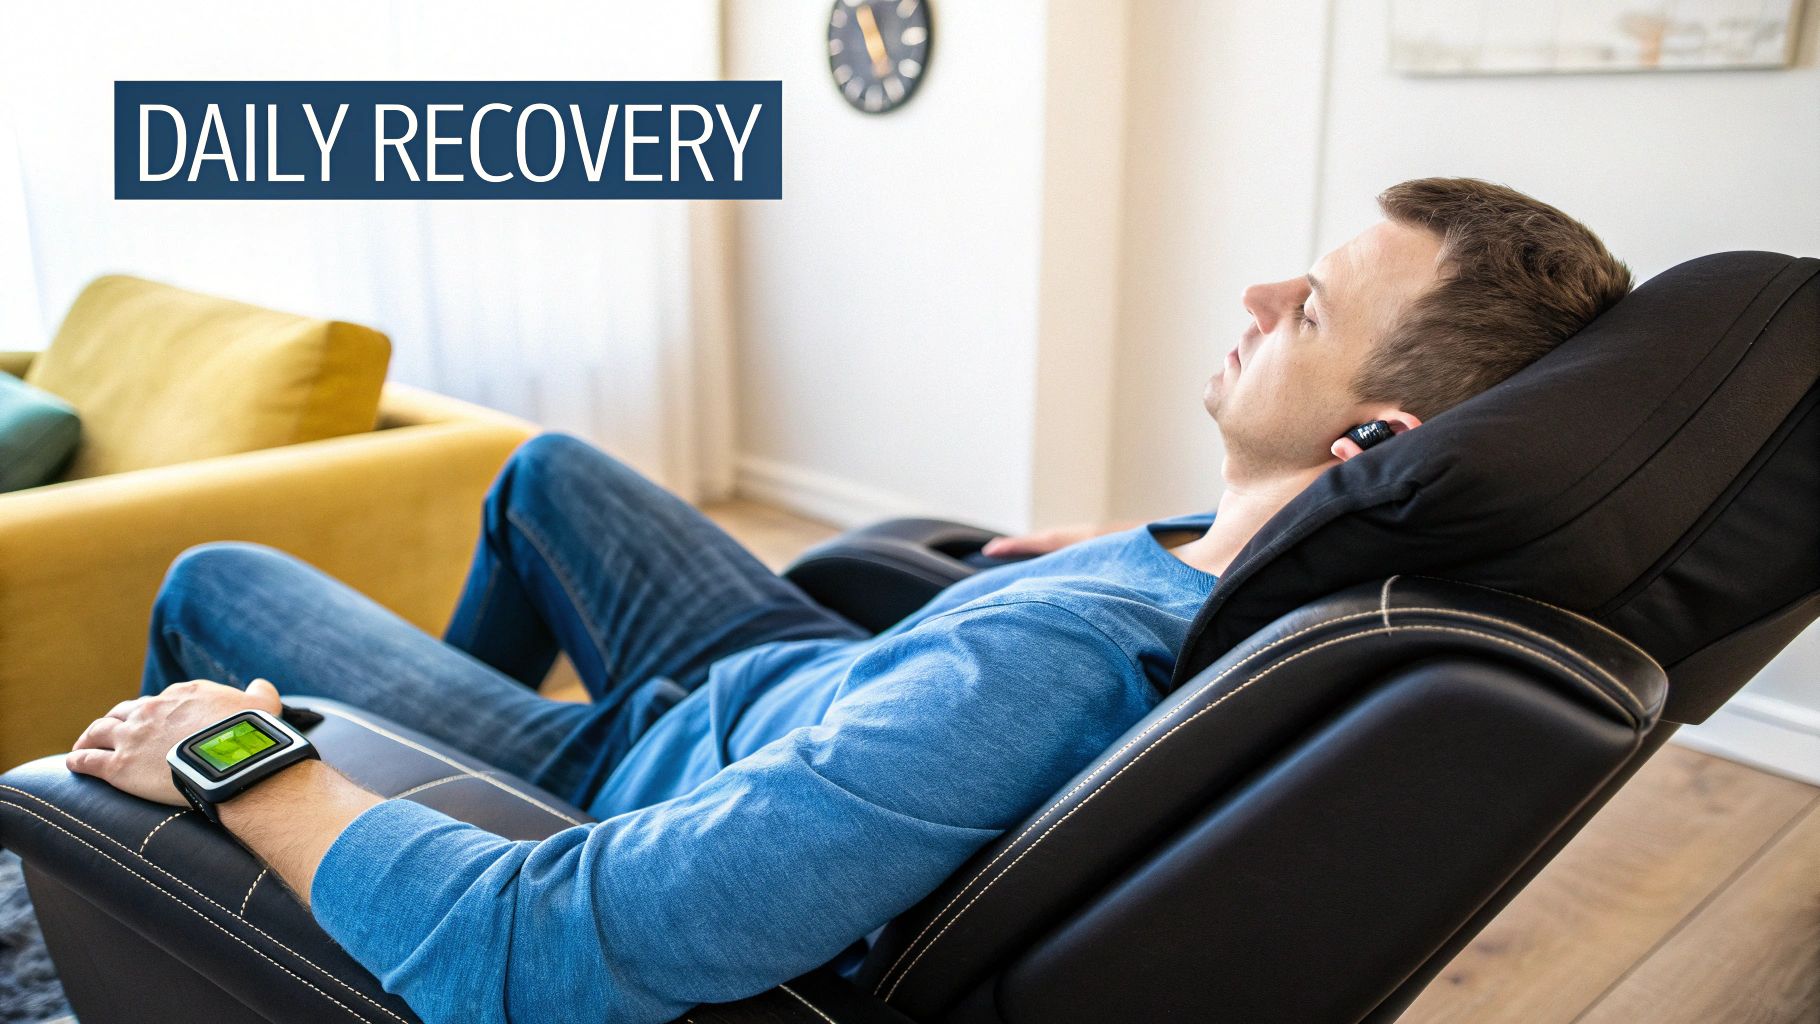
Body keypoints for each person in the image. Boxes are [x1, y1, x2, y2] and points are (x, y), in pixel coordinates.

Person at [64, 177, 1631, 1024]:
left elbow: (544, 957)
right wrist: (1118, 537)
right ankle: (423, 740)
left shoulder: (1036, 674)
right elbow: (1124, 601)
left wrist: (263, 769)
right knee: (547, 471)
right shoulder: (1281, 556)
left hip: (633, 798)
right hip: (808, 681)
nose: (1255, 297)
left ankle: (418, 796)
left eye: (1311, 307)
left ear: (1368, 445)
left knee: (216, 587)